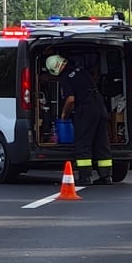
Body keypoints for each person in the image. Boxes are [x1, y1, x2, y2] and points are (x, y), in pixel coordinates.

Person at [45, 54, 113, 185]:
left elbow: (71, 99)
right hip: (100, 106)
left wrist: (64, 114)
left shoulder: (65, 77)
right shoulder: (80, 70)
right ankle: (106, 176)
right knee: (101, 142)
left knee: (83, 142)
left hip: (86, 109)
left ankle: (85, 177)